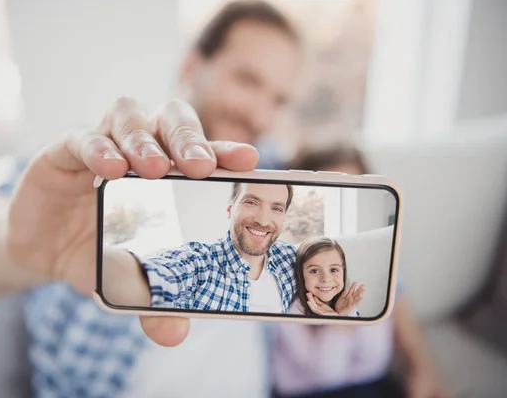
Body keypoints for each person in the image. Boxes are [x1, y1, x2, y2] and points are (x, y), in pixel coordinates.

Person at [0, 0, 304, 397]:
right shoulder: (98, 168)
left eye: (278, 100)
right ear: (191, 66)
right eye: (248, 81)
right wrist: (18, 244)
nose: (261, 116)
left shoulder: (271, 169)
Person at [271, 139, 448, 398]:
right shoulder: (283, 278)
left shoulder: (374, 267)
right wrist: (342, 322)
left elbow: (376, 361)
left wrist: (421, 370)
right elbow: (325, 372)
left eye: (354, 190)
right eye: (324, 196)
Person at [106, 182, 297, 313]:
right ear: (230, 209)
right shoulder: (199, 263)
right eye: (251, 202)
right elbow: (152, 276)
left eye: (277, 208)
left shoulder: (289, 258)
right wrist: (98, 262)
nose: (263, 220)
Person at [290, 236, 364, 317]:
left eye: (334, 270)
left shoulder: (347, 304)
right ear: (301, 273)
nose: (326, 279)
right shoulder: (297, 310)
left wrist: (342, 315)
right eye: (314, 271)